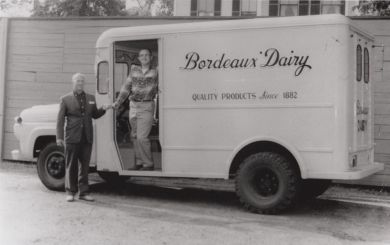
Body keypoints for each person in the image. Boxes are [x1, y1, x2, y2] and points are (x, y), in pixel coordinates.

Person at [57, 73, 111, 202]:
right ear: (73, 82)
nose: (80, 83)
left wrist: (103, 109)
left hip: (87, 137)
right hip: (71, 137)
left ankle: (84, 193)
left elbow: (95, 115)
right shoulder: (65, 99)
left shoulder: (91, 98)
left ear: (84, 83)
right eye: (77, 80)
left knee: (85, 167)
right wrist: (59, 137)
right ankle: (70, 192)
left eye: (82, 81)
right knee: (71, 165)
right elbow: (59, 120)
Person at [113, 49, 158, 171]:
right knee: (134, 135)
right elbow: (126, 88)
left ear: (151, 57)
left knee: (142, 137)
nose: (144, 57)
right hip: (133, 106)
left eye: (147, 55)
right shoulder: (134, 71)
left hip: (147, 106)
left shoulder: (156, 71)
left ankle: (148, 164)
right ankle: (139, 162)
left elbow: (162, 89)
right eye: (142, 55)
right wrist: (118, 103)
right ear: (138, 58)